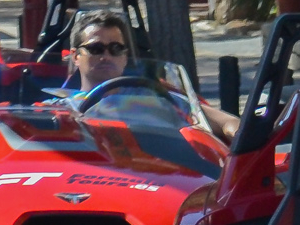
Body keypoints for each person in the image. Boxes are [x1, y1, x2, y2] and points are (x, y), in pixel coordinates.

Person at [51, 11, 239, 139]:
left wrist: (238, 141)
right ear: (76, 56)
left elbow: (228, 122)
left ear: (125, 57)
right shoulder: (61, 108)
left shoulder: (159, 99)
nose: (106, 56)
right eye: (96, 48)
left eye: (116, 49)